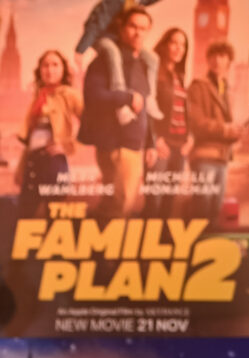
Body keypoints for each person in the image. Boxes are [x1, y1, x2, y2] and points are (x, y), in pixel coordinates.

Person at [78, 6, 157, 215]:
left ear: (149, 31)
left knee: (117, 206)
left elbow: (146, 108)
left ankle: (102, 246)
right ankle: (107, 246)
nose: (138, 32)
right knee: (119, 207)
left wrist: (151, 143)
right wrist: (127, 97)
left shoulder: (143, 65)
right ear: (121, 28)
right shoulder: (104, 61)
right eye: (133, 26)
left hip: (134, 146)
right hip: (115, 145)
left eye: (143, 28)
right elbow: (93, 97)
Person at [15, 50, 82, 214]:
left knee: (54, 217)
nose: (50, 70)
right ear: (40, 70)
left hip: (53, 163)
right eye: (45, 65)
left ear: (63, 69)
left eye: (55, 65)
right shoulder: (38, 96)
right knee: (24, 216)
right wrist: (20, 168)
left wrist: (69, 145)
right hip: (32, 164)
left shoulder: (70, 95)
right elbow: (31, 136)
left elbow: (92, 123)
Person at [187, 41, 244, 229]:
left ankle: (207, 249)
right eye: (214, 56)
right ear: (208, 60)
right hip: (204, 156)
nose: (218, 61)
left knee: (215, 209)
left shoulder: (225, 88)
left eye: (222, 56)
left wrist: (236, 132)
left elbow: (225, 123)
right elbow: (197, 123)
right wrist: (227, 129)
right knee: (202, 206)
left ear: (229, 61)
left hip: (222, 157)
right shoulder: (198, 86)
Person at [145, 27, 191, 218]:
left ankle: (163, 240)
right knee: (154, 199)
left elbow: (183, 111)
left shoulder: (179, 76)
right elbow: (147, 110)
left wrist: (190, 138)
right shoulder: (153, 73)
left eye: (183, 44)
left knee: (170, 197)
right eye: (174, 43)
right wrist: (155, 140)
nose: (179, 48)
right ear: (164, 45)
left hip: (180, 145)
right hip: (161, 143)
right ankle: (148, 242)